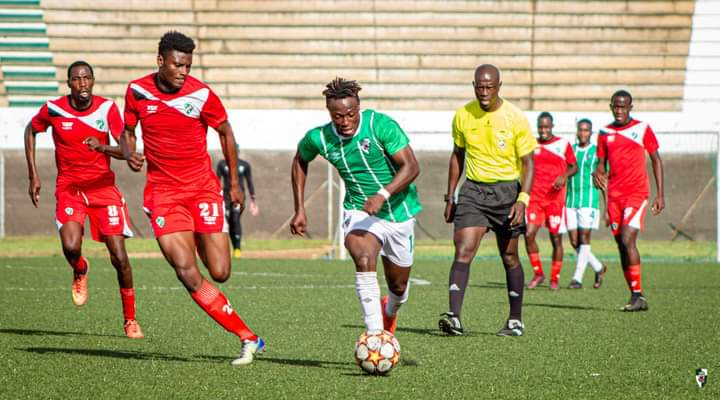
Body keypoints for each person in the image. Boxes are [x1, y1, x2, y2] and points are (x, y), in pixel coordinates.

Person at [119, 31, 263, 365]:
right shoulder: (137, 91)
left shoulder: (202, 95)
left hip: (202, 190)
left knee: (221, 271)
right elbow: (128, 132)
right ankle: (248, 337)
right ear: (160, 62)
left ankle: (200, 234)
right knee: (186, 271)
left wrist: (234, 184)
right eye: (177, 64)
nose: (183, 71)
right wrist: (129, 153)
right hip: (163, 195)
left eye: (188, 65)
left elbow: (225, 131)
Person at [290, 77, 422, 336]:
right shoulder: (319, 137)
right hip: (359, 210)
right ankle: (374, 337)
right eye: (338, 116)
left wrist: (382, 195)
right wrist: (300, 208)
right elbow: (299, 160)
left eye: (350, 114)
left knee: (399, 286)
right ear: (330, 113)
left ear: (358, 107)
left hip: (399, 211)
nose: (345, 121)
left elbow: (412, 166)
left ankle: (390, 312)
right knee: (363, 259)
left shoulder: (379, 125)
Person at [24, 61, 144, 339]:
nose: (83, 84)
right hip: (70, 189)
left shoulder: (106, 109)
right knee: (70, 247)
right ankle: (80, 269)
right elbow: (31, 130)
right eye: (77, 79)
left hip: (104, 190)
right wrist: (34, 175)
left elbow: (124, 146)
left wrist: (108, 148)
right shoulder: (53, 109)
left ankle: (130, 320)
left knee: (120, 257)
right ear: (69, 84)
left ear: (93, 81)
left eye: (87, 78)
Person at [439, 64, 536, 337]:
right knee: (463, 250)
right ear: (473, 86)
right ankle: (454, 317)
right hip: (473, 192)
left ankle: (515, 320)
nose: (484, 92)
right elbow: (457, 155)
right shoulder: (463, 115)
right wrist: (451, 195)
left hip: (507, 194)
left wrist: (522, 200)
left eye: (489, 87)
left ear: (498, 86)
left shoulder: (515, 117)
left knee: (509, 255)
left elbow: (529, 163)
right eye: (479, 87)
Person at [594, 90, 664, 311]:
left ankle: (637, 294)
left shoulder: (642, 129)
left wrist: (660, 194)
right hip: (615, 197)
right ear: (611, 107)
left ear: (630, 107)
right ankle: (636, 297)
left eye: (624, 106)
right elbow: (601, 164)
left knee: (627, 238)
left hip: (637, 193)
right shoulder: (604, 132)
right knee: (621, 245)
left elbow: (656, 159)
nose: (619, 110)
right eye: (616, 106)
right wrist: (598, 174)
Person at [524, 112, 577, 290]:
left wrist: (564, 176)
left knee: (556, 238)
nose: (543, 130)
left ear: (552, 126)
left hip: (555, 199)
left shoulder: (563, 144)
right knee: (529, 234)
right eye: (541, 127)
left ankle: (555, 278)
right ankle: (538, 273)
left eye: (546, 127)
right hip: (535, 198)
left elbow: (574, 166)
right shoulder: (531, 144)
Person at [566, 119, 607, 289]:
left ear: (591, 133)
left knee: (584, 239)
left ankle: (577, 278)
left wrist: (607, 208)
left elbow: (603, 179)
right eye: (580, 130)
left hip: (588, 201)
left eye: (586, 130)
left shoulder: (597, 153)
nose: (583, 133)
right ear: (577, 131)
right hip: (570, 200)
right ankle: (598, 267)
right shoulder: (571, 150)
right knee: (574, 241)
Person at [216, 152, 258, 258]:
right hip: (225, 197)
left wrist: (253, 201)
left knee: (235, 219)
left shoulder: (244, 165)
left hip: (238, 198)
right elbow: (216, 181)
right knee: (227, 221)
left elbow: (249, 182)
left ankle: (237, 248)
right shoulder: (222, 164)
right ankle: (230, 246)